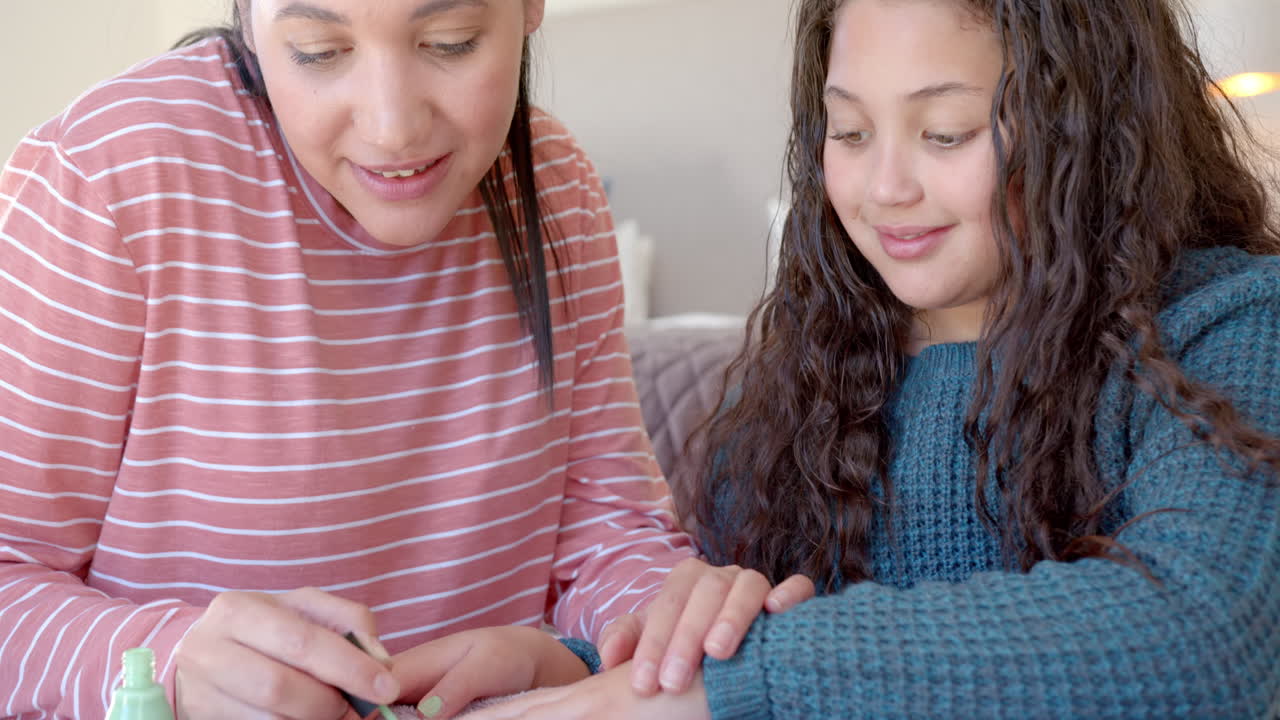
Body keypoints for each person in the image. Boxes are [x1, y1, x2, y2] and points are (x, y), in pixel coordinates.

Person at [461, 0, 1280, 717]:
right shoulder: (807, 383)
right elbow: (735, 643)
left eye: (944, 133)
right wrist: (569, 667)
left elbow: (1213, 637)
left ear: (1087, 123)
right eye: (849, 132)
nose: (885, 186)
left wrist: (741, 682)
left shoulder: (1228, 324)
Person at [0, 1, 815, 718]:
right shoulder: (110, 176)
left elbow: (605, 538)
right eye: (319, 51)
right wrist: (165, 664)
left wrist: (668, 619)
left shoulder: (557, 186)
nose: (392, 127)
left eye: (451, 40)